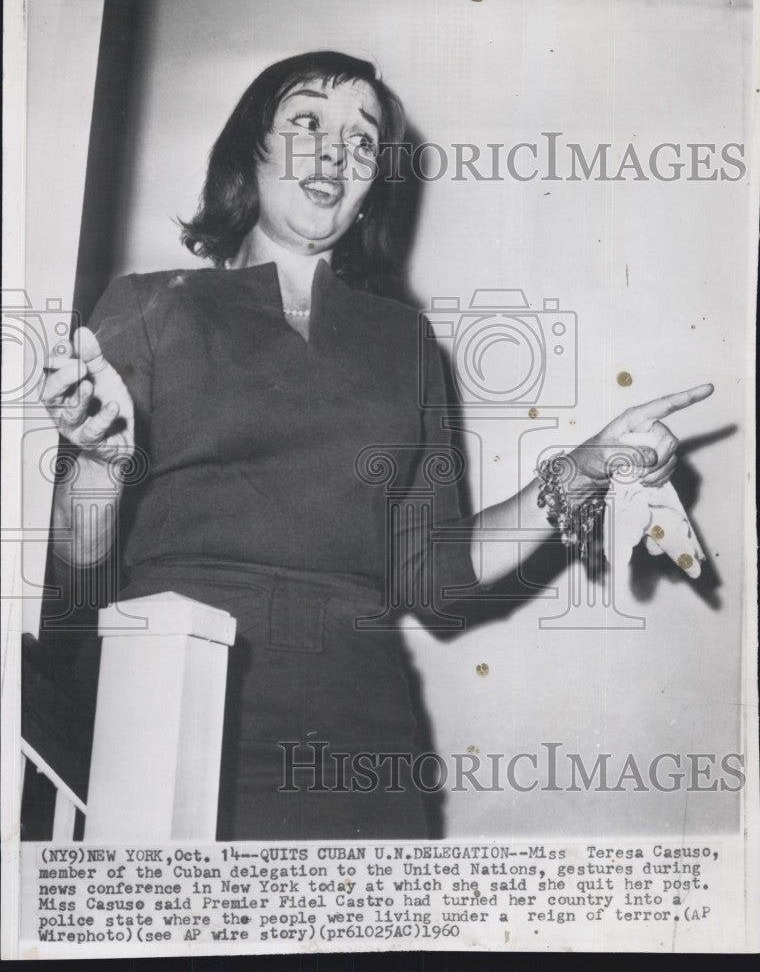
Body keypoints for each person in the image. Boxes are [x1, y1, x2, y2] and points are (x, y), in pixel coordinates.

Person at [41, 51, 713, 839]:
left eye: (363, 143)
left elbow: (441, 580)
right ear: (247, 147)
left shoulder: (405, 342)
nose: (335, 154)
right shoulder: (150, 305)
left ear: (371, 191)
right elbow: (75, 593)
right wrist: (100, 459)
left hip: (359, 747)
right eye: (306, 123)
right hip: (161, 719)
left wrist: (589, 465)